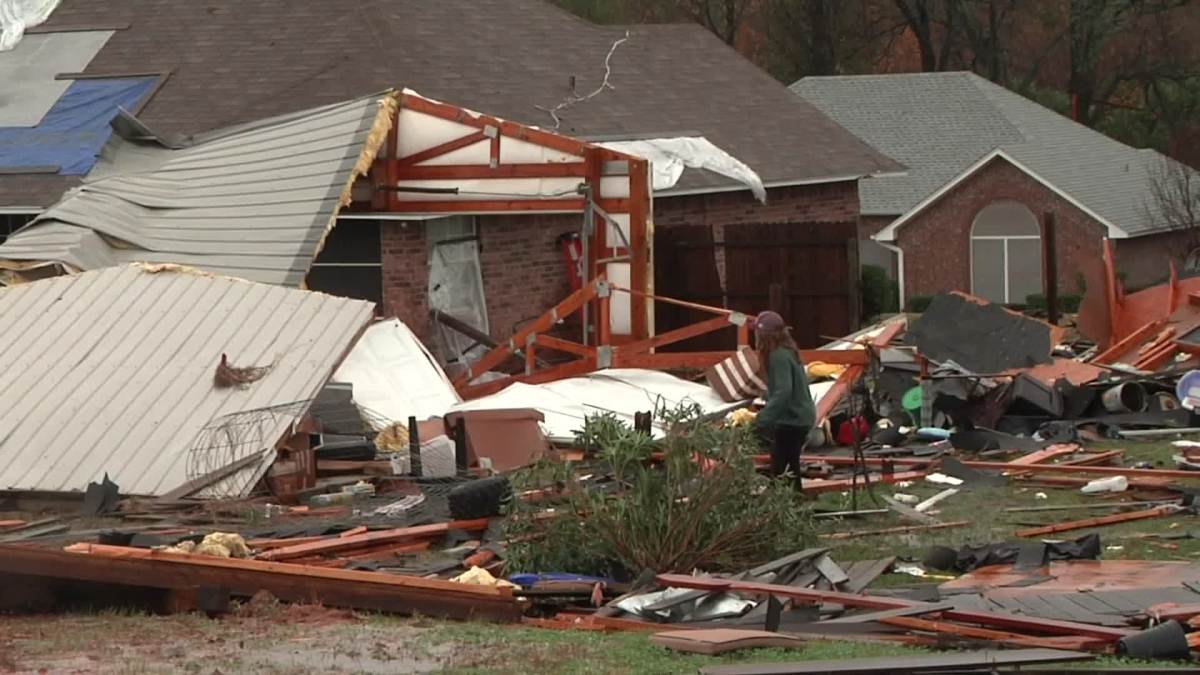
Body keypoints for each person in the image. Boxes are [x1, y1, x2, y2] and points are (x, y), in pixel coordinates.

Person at [752, 311, 816, 490]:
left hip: (792, 420)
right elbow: (788, 387)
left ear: (764, 335)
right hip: (801, 416)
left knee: (781, 471)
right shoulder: (788, 350)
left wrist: (761, 420)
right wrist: (764, 396)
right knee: (790, 469)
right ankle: (795, 507)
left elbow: (783, 391)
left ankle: (789, 508)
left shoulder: (777, 355)